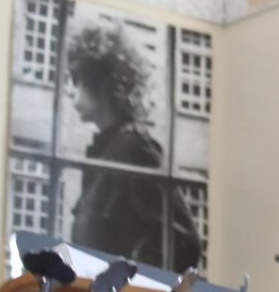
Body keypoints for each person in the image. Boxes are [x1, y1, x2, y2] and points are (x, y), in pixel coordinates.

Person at [65, 24, 202, 272]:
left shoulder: (134, 148)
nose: (70, 91)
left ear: (101, 83)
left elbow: (185, 242)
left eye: (78, 81)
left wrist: (130, 284)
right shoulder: (101, 152)